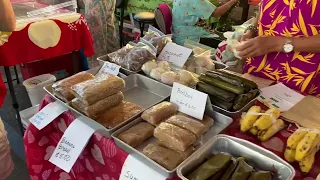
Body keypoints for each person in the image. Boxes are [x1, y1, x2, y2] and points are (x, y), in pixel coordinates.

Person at [236, 1, 320, 95]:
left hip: (301, 80)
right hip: (258, 70)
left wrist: (277, 44)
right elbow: (264, 9)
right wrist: (251, 30)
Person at [172, 0, 238, 46]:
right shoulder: (196, 1)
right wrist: (233, 1)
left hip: (178, 36)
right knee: (226, 45)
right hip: (190, 39)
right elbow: (216, 12)